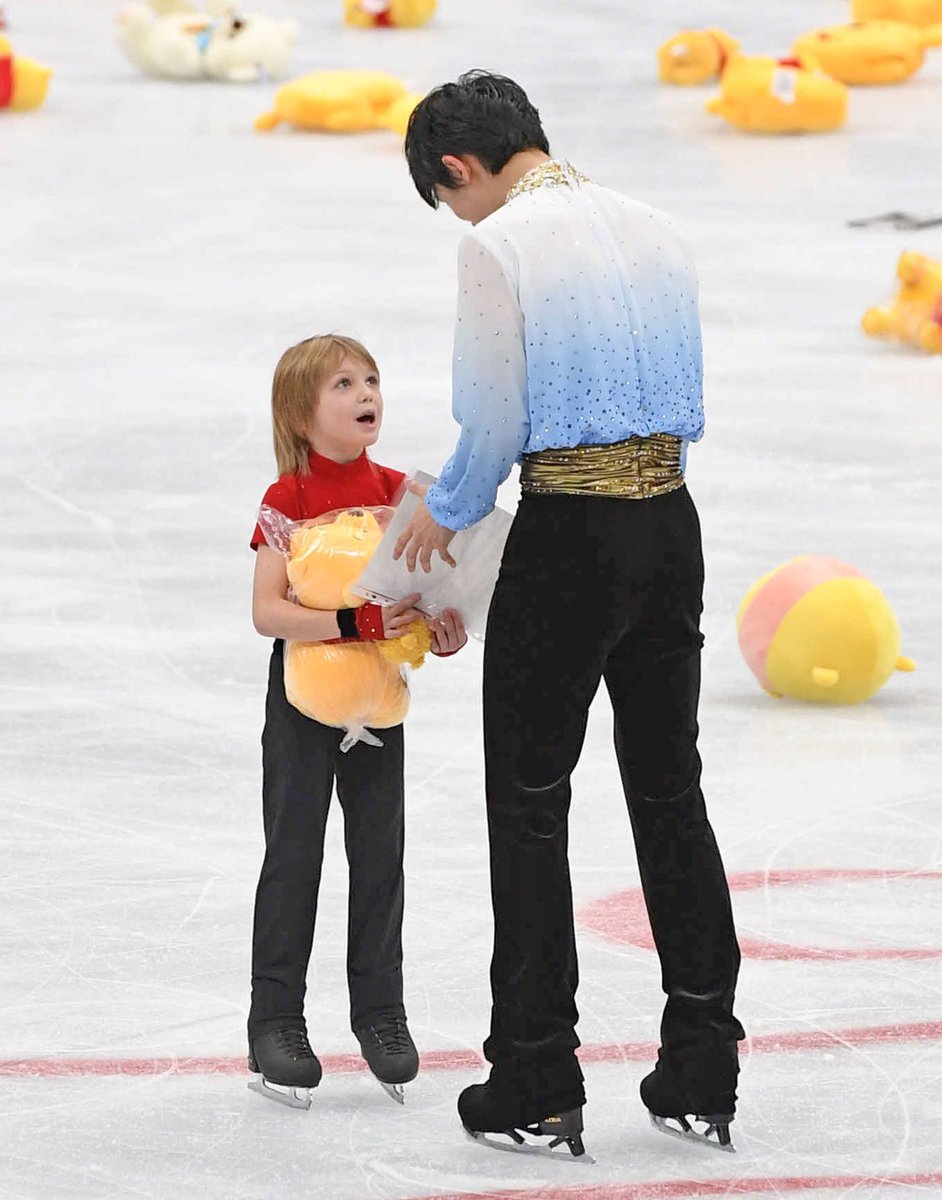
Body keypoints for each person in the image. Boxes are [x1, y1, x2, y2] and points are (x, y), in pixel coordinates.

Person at [396, 71, 745, 1156]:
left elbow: (495, 416)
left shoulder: (499, 245)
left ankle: (537, 1077)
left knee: (532, 803)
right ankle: (702, 1068)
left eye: (449, 196)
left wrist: (441, 515)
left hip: (570, 537)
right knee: (670, 788)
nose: (461, 217)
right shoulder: (657, 225)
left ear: (460, 168)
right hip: (669, 527)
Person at [248, 333, 467, 1108]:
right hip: (304, 703)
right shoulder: (288, 500)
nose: (365, 392)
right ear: (302, 415)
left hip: (379, 703)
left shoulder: (402, 493)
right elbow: (269, 612)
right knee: (295, 856)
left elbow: (425, 599)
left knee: (380, 859)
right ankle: (275, 1017)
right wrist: (356, 626)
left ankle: (381, 1012)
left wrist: (440, 629)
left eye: (370, 379)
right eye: (343, 384)